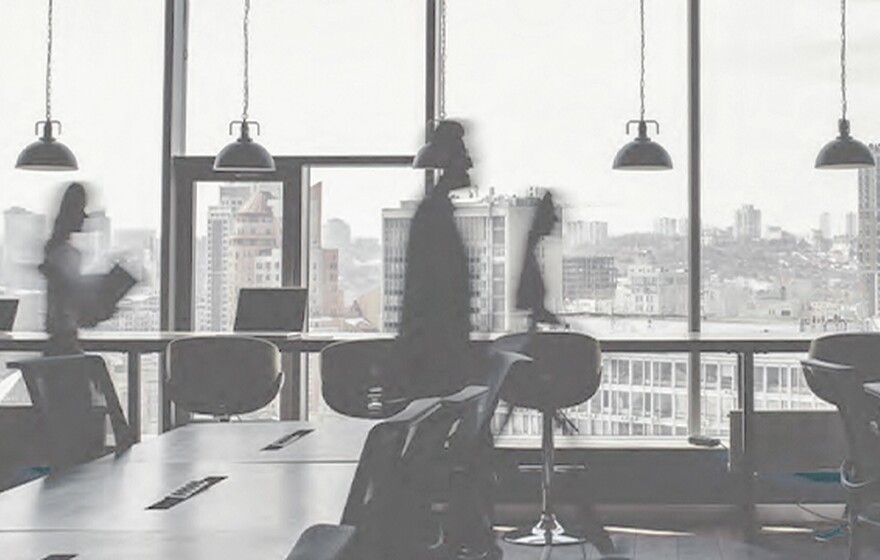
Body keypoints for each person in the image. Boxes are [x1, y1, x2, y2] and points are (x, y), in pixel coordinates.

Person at [39, 183, 115, 356]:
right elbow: (71, 304)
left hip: (59, 341)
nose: (84, 216)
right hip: (65, 341)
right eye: (81, 209)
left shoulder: (54, 251)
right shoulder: (66, 254)